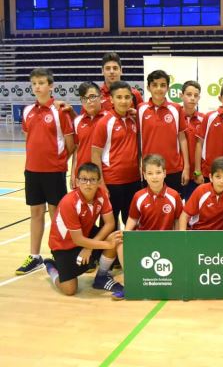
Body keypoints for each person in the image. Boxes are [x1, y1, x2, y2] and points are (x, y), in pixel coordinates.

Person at [17, 68, 75, 275]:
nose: (37, 87)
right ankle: (34, 256)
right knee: (35, 212)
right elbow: (28, 139)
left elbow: (71, 144)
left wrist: (60, 162)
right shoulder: (27, 111)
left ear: (51, 86)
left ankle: (57, 253)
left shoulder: (60, 111)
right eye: (34, 83)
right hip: (32, 170)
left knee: (56, 214)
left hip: (54, 172)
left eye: (41, 83)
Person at [43, 163, 123, 296]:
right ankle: (52, 267)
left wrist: (90, 248)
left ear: (99, 182)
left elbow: (110, 223)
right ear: (77, 181)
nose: (88, 183)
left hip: (85, 235)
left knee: (115, 236)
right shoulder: (69, 202)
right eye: (83, 179)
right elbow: (78, 239)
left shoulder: (101, 193)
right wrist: (107, 245)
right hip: (63, 245)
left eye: (92, 179)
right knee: (69, 290)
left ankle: (101, 277)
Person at [91, 81, 141, 229]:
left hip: (134, 180)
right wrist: (101, 183)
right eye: (119, 97)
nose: (124, 101)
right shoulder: (105, 122)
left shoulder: (134, 119)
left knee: (132, 222)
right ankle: (105, 253)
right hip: (112, 182)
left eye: (127, 97)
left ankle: (128, 252)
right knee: (109, 224)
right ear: (111, 100)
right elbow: (95, 155)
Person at [138, 70, 190, 195]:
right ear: (148, 87)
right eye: (155, 85)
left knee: (173, 206)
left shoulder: (176, 108)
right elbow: (138, 139)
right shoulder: (140, 109)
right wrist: (140, 164)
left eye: (162, 85)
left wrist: (186, 167)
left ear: (167, 87)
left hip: (173, 168)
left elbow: (182, 138)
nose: (159, 89)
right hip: (150, 170)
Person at [196, 82, 223, 184]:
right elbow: (199, 143)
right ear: (220, 98)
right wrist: (197, 172)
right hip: (209, 172)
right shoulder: (209, 117)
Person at [125, 154, 183, 231]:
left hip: (167, 239)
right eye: (150, 173)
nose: (154, 177)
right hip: (144, 239)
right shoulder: (138, 196)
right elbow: (133, 218)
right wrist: (126, 234)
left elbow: (178, 219)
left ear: (164, 173)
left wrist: (177, 238)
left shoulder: (174, 195)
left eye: (158, 172)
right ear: (145, 175)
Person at [71, 82, 106, 189]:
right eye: (84, 99)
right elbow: (77, 149)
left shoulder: (109, 119)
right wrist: (73, 172)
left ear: (101, 97)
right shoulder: (77, 121)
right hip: (83, 176)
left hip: (103, 175)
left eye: (92, 97)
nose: (89, 101)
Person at [180, 80, 204, 200]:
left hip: (196, 174)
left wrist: (198, 172)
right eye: (189, 94)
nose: (192, 98)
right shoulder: (174, 116)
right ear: (181, 95)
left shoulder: (204, 119)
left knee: (193, 211)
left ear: (199, 97)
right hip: (178, 172)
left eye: (195, 95)